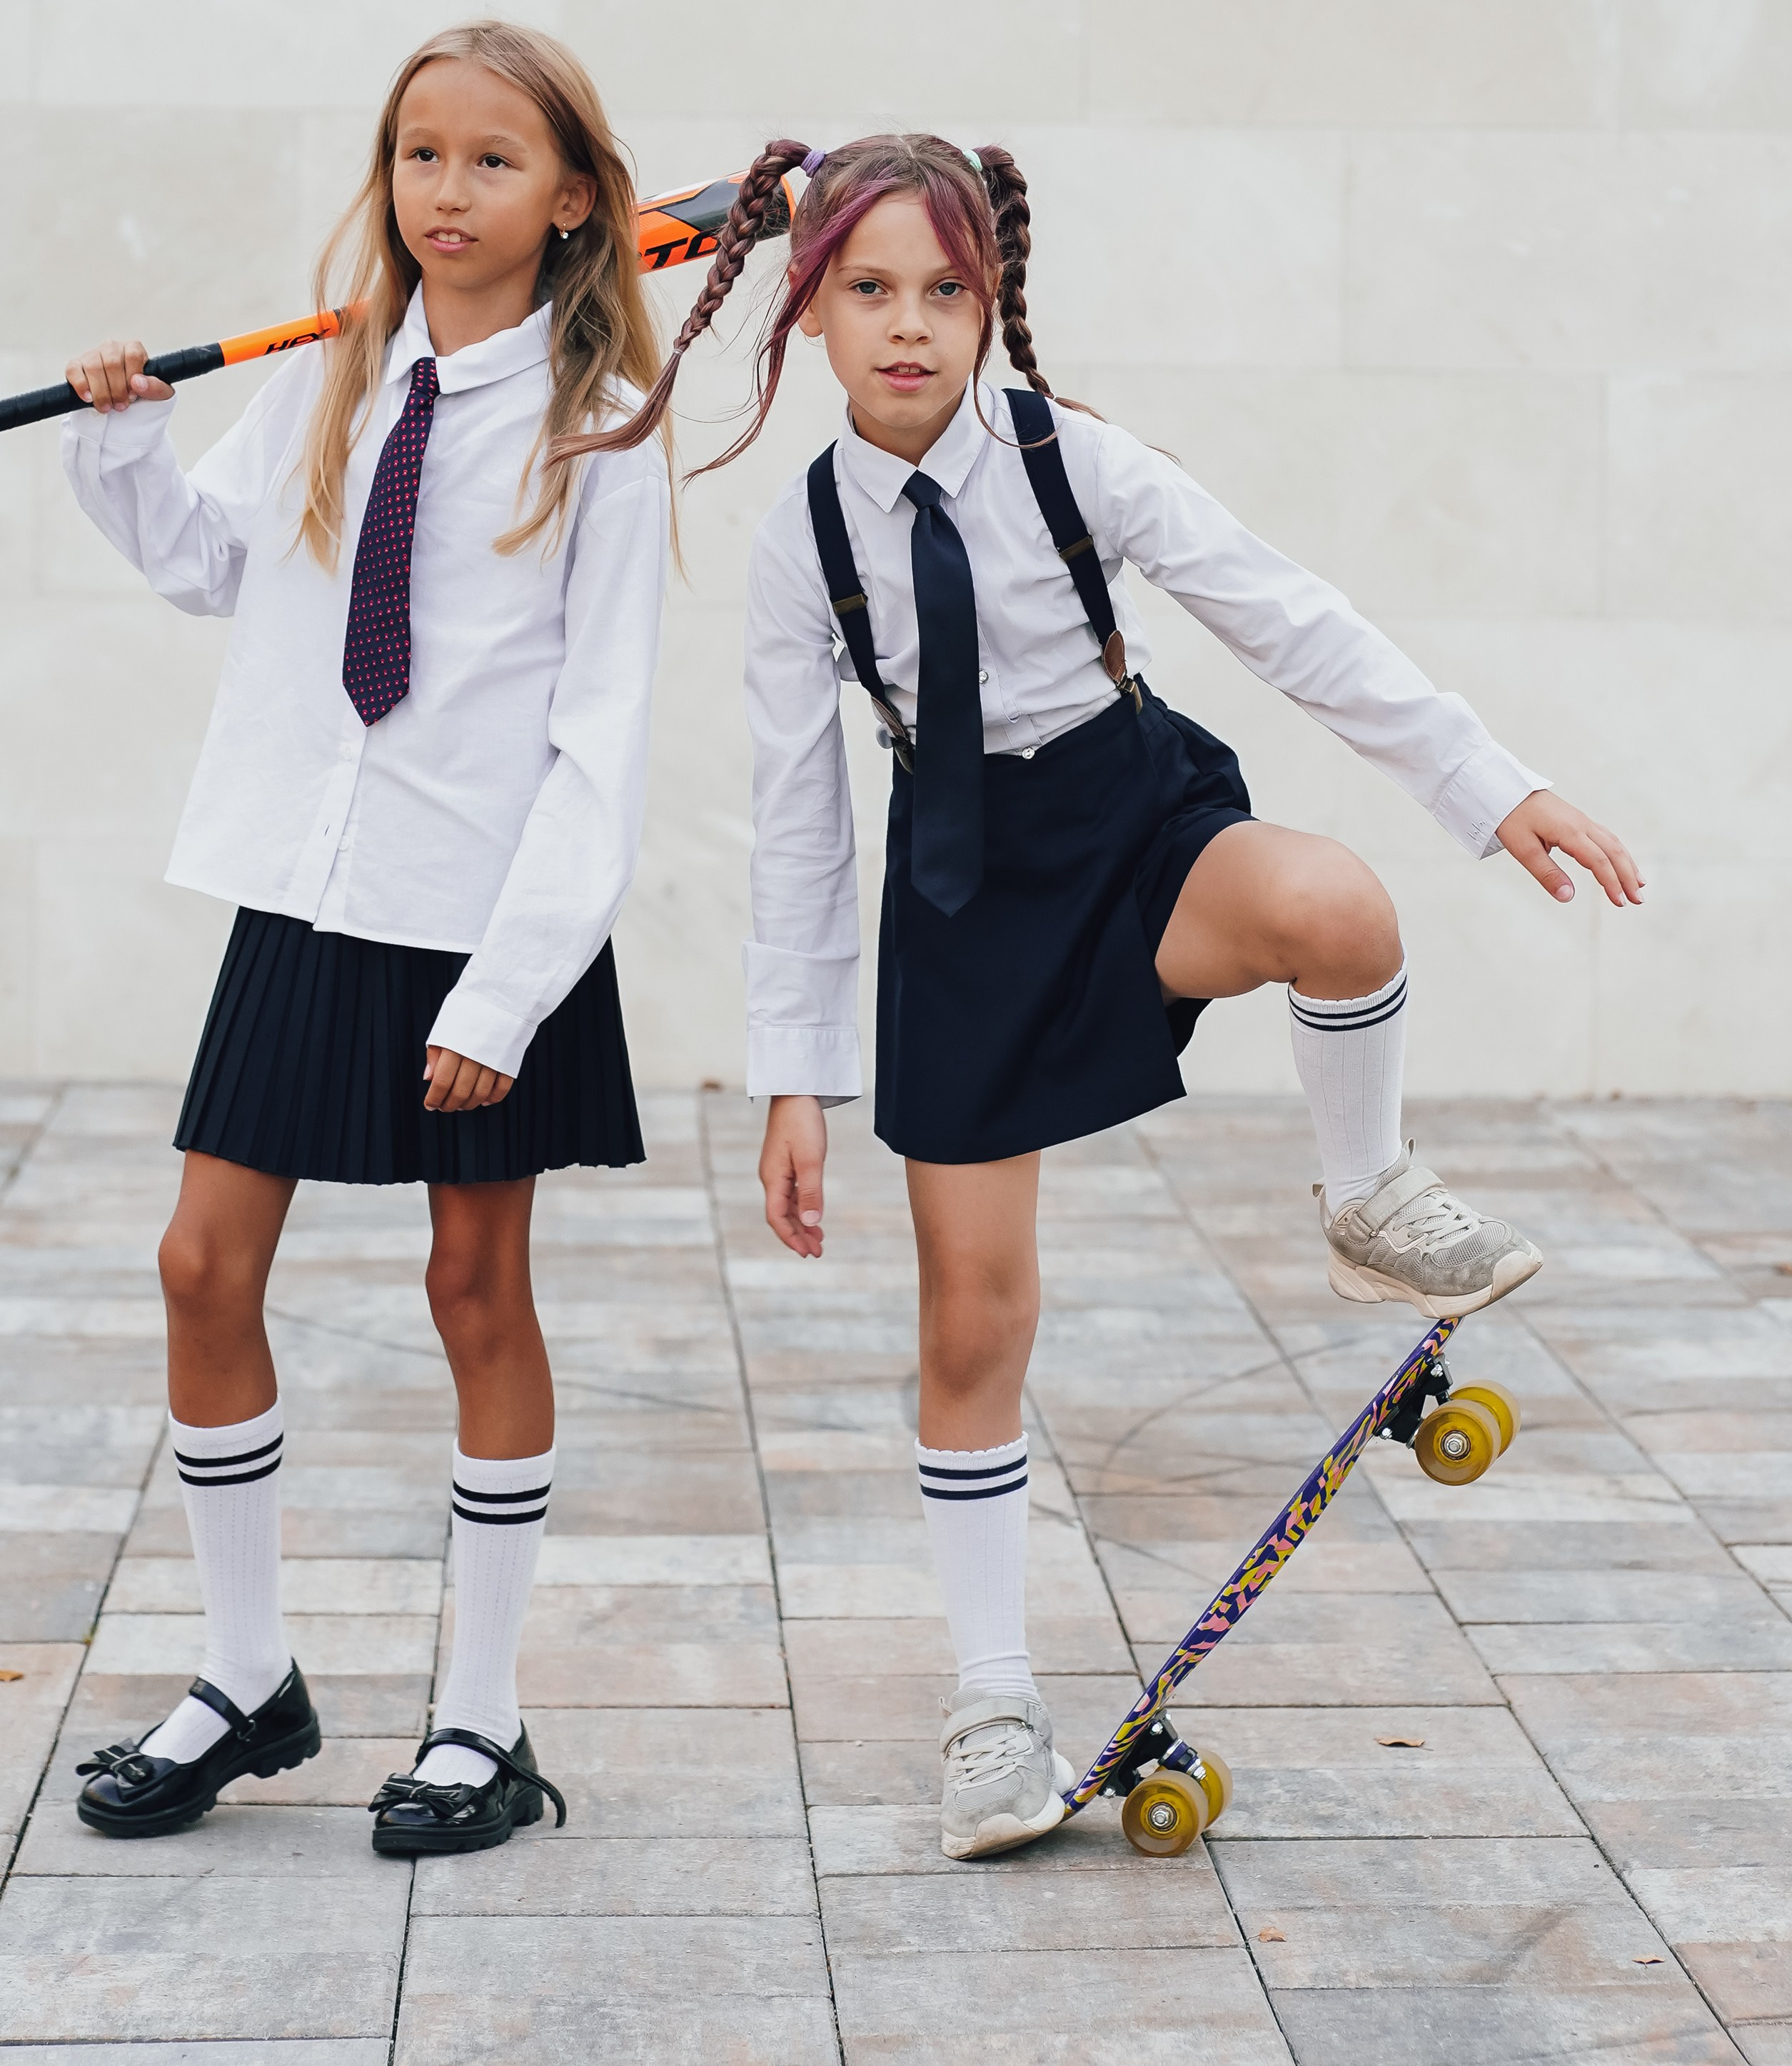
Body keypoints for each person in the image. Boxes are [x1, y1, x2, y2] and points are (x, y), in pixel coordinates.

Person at [575, 131, 1642, 1863]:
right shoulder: (798, 549)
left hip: (1131, 825)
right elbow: (796, 826)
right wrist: (796, 1074)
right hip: (959, 897)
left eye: (945, 289)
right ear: (810, 307)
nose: (909, 325)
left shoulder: (1081, 465)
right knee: (972, 1323)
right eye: (868, 289)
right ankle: (991, 1702)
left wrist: (1484, 783)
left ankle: (1366, 1192)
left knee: (1337, 906)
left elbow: (1298, 623)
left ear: (994, 300)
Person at [60, 22, 669, 1858]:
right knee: (197, 1264)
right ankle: (249, 1677)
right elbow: (202, 564)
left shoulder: (598, 428)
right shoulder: (336, 375)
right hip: (307, 892)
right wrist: (123, 440)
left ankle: (484, 1719)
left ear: (573, 200)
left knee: (474, 1291)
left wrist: (511, 988)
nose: (447, 192)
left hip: (485, 913)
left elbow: (605, 735)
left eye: (493, 161)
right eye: (420, 155)